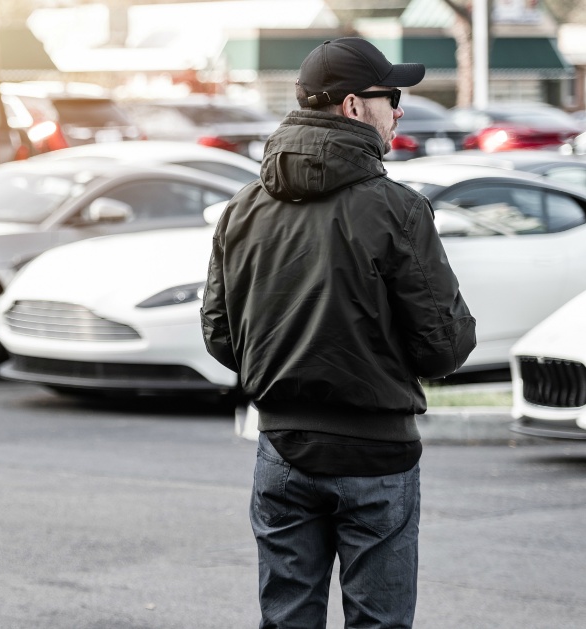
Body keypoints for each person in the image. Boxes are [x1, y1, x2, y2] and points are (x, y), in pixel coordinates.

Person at [201, 37, 476, 628]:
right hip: (376, 457)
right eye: (391, 96)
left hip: (280, 451)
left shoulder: (242, 209)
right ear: (353, 106)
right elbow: (445, 347)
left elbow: (222, 338)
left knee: (287, 621)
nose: (399, 110)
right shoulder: (397, 209)